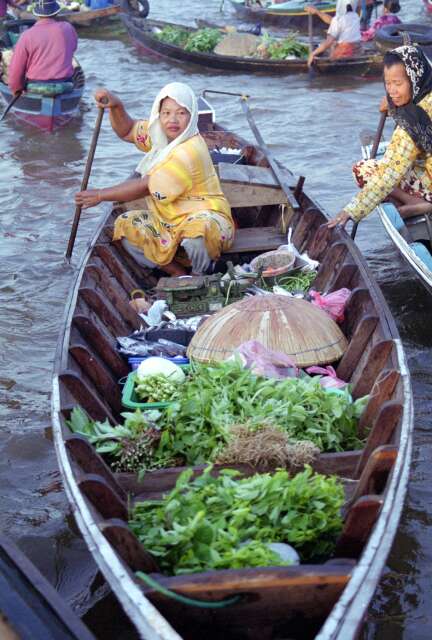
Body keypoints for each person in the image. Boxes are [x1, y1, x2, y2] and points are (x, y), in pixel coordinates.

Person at [75, 82, 234, 276]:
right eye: (166, 113)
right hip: (168, 221)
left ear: (191, 116)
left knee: (196, 232)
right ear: (159, 114)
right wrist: (115, 105)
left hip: (207, 217)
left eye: (181, 113)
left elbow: (146, 186)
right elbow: (127, 131)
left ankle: (201, 273)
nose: (172, 120)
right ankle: (177, 273)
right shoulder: (160, 135)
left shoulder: (190, 149)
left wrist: (100, 195)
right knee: (125, 224)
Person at [329, 45, 432, 229]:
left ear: (414, 79)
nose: (391, 91)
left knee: (363, 169)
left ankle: (418, 203)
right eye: (388, 83)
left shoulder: (411, 124)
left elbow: (387, 174)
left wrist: (351, 211)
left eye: (398, 84)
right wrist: (393, 106)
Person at [7, 0, 77, 95]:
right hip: (65, 85)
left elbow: (16, 70)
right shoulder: (68, 28)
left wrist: (16, 89)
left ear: (37, 14)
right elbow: (73, 48)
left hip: (36, 87)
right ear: (56, 12)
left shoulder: (26, 35)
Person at [306, 0, 362, 66]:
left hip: (344, 52)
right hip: (357, 49)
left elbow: (328, 42)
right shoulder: (355, 16)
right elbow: (333, 22)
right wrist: (317, 12)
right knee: (334, 44)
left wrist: (313, 54)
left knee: (331, 45)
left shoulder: (338, 19)